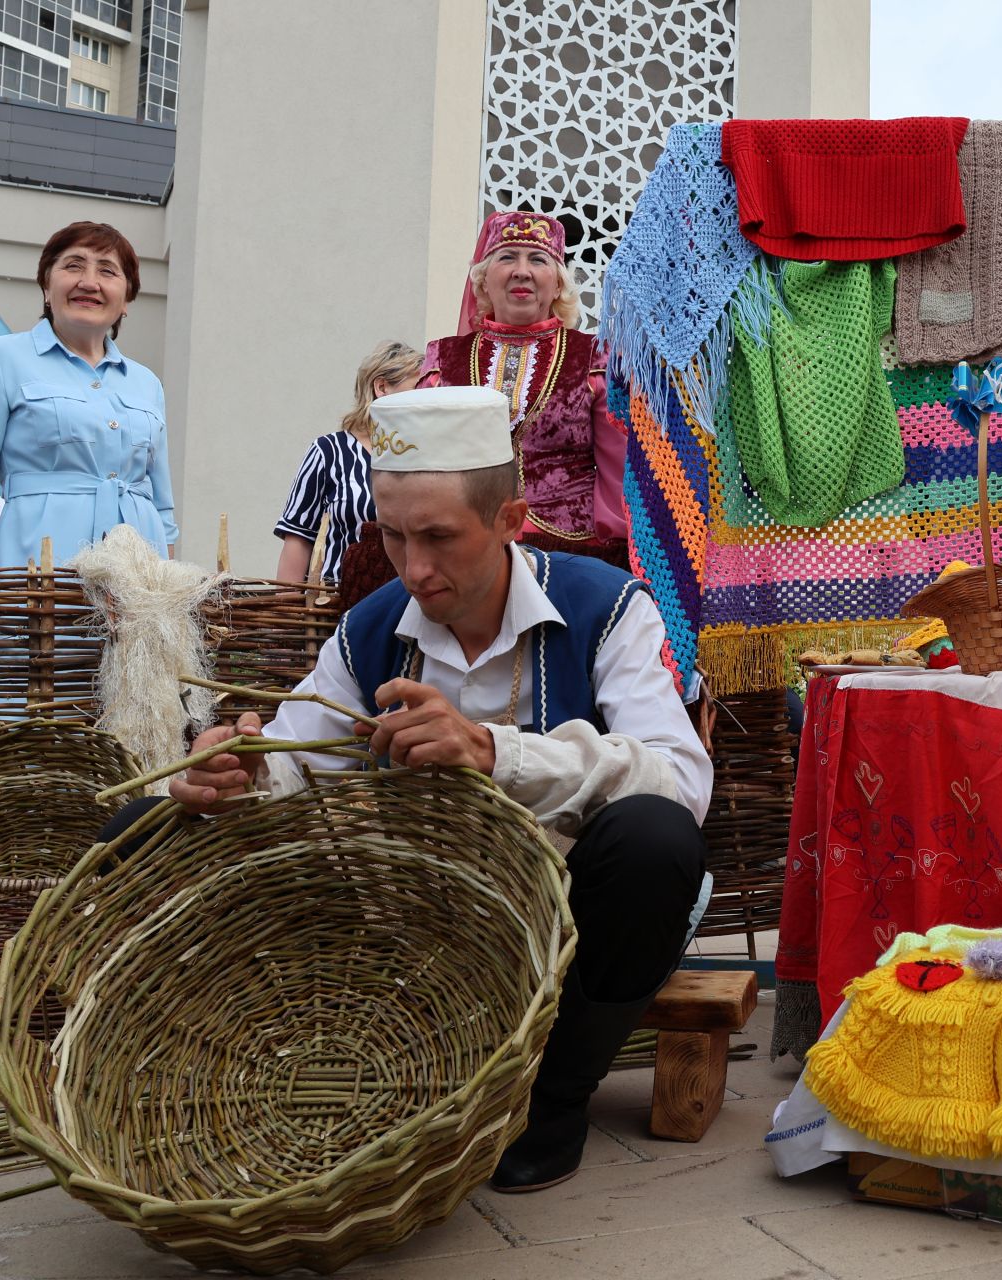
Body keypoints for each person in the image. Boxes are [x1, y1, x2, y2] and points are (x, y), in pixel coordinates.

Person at [160, 386, 710, 1193]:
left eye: (440, 537)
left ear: (512, 520)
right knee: (146, 825)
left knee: (655, 842)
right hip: (422, 916)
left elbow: (682, 780)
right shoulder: (371, 628)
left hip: (574, 915)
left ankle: (553, 1100)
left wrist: (495, 751)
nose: (414, 568)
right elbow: (293, 763)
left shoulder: (607, 607)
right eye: (391, 534)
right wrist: (238, 773)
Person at [0, 222, 176, 570]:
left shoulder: (147, 383)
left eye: (107, 271)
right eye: (73, 265)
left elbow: (163, 506)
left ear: (126, 300)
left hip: (138, 582)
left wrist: (168, 592)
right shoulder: (1, 359)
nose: (89, 282)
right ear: (47, 286)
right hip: (38, 571)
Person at [419, 212, 627, 564]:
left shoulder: (594, 357)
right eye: (506, 257)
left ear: (558, 284)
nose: (521, 270)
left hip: (568, 553)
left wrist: (615, 551)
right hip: (464, 551)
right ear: (483, 281)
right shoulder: (443, 359)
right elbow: (424, 462)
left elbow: (618, 467)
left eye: (537, 259)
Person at [272, 340, 421, 583]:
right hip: (333, 608)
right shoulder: (328, 452)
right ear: (382, 387)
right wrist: (287, 614)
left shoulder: (423, 458)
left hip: (405, 607)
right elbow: (297, 540)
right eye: (417, 389)